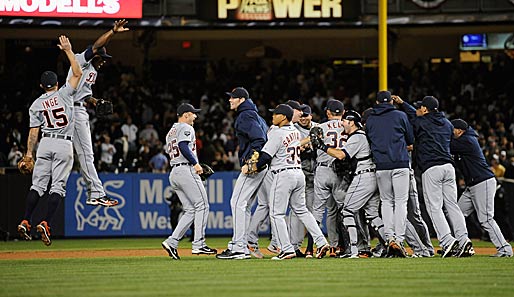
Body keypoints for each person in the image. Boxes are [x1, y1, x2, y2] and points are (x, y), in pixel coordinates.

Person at [17, 35, 82, 246]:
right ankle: (46, 222)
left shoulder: (36, 104)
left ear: (41, 85)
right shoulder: (64, 93)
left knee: (37, 185)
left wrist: (28, 154)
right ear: (55, 83)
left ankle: (26, 219)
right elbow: (78, 72)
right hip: (63, 143)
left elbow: (33, 132)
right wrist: (68, 51)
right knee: (58, 188)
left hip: (44, 143)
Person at [242, 104, 330, 260]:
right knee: (302, 210)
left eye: (276, 114)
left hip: (283, 174)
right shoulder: (295, 132)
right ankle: (321, 242)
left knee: (276, 214)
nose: (273, 117)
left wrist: (252, 167)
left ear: (283, 117)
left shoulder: (277, 133)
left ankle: (286, 249)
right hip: (298, 174)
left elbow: (266, 157)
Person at [393, 95, 473, 257]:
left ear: (424, 109)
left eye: (420, 108)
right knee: (452, 205)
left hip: (432, 168)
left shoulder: (422, 122)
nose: (418, 110)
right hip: (449, 168)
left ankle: (447, 241)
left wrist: (403, 104)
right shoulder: (447, 124)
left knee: (434, 207)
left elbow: (412, 117)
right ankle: (464, 240)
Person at [69, 19, 129, 207]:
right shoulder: (81, 61)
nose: (103, 62)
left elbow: (85, 95)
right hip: (72, 110)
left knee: (67, 156)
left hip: (77, 108)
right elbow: (96, 45)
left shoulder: (92, 71)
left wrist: (96, 101)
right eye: (102, 58)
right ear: (94, 56)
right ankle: (96, 193)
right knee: (86, 155)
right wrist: (112, 31)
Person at [313, 110, 387, 258]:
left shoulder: (357, 136)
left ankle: (354, 250)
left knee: (347, 211)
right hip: (372, 175)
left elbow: (341, 155)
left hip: (364, 176)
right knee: (372, 215)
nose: (342, 124)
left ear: (351, 122)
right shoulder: (362, 135)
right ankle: (389, 244)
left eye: (345, 121)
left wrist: (322, 146)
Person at [217, 87, 269, 260]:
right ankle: (242, 246)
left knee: (237, 202)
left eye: (233, 98)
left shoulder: (245, 115)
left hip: (254, 166)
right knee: (244, 205)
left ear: (241, 99)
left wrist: (253, 161)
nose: (230, 100)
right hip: (261, 166)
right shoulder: (255, 114)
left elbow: (260, 139)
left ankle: (238, 247)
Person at [161, 103, 217, 260]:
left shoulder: (171, 131)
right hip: (186, 170)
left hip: (174, 172)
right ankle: (199, 244)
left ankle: (172, 242)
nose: (195, 116)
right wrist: (196, 164)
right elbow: (183, 146)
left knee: (190, 210)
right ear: (185, 115)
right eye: (193, 114)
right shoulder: (186, 128)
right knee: (203, 205)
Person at [451, 119, 513, 257]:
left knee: (486, 219)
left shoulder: (467, 140)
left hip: (483, 182)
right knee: (457, 214)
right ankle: (460, 246)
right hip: (473, 184)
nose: (451, 132)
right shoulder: (464, 139)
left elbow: (446, 144)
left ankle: (505, 249)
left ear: (459, 130)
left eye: (452, 129)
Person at [365, 91, 413, 257]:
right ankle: (398, 240)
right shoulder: (400, 115)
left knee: (386, 202)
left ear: (377, 103)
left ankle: (389, 237)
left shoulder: (370, 119)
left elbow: (369, 141)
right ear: (391, 102)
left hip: (381, 165)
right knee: (400, 202)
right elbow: (410, 139)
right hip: (400, 163)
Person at [311, 99, 349, 256]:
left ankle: (318, 246)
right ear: (343, 112)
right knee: (343, 210)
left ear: (327, 112)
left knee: (319, 210)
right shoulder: (348, 126)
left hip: (323, 170)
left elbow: (312, 145)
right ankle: (346, 246)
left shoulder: (320, 127)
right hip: (342, 171)